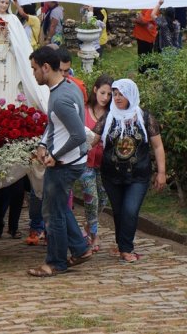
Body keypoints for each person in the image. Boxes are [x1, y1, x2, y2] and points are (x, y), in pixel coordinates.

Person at [27, 46, 92, 277]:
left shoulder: (61, 98)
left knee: (52, 213)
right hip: (70, 160)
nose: (33, 74)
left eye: (34, 69)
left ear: (46, 67)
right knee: (59, 207)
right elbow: (55, 124)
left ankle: (55, 263)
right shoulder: (67, 86)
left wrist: (55, 156)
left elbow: (78, 135)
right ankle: (81, 249)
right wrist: (43, 144)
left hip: (65, 164)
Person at [92, 79, 166, 263]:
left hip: (138, 175)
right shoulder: (108, 118)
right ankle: (122, 245)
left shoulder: (145, 118)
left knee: (130, 210)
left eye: (121, 94)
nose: (117, 98)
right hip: (111, 175)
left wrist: (161, 172)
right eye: (115, 94)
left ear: (131, 95)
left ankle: (126, 248)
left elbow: (157, 146)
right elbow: (92, 140)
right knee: (118, 212)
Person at [76, 74, 113, 253]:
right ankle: (95, 235)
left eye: (109, 94)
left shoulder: (112, 114)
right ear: (95, 90)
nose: (105, 97)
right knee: (91, 198)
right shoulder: (83, 111)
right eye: (103, 93)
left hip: (105, 164)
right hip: (85, 162)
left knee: (103, 199)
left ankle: (87, 227)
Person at [132, 0, 162, 73]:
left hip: (146, 36)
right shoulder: (148, 6)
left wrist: (136, 18)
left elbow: (143, 21)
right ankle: (145, 70)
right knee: (145, 54)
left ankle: (145, 71)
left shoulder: (151, 8)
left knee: (144, 54)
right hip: (143, 35)